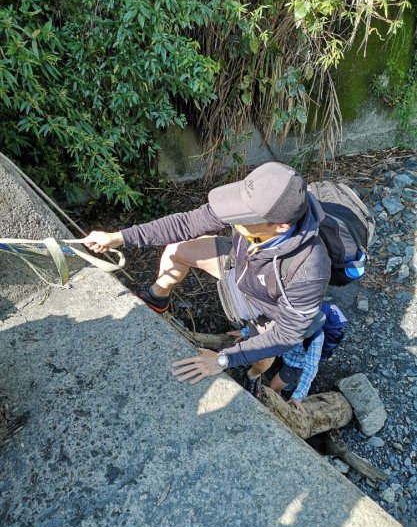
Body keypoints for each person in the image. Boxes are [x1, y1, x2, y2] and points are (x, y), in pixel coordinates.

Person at [83, 162, 331, 402]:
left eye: (244, 218)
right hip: (243, 262)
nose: (234, 217)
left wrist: (223, 360)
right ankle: (156, 298)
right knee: (176, 250)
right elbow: (187, 223)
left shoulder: (309, 269)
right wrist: (119, 237)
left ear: (280, 227)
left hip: (271, 307)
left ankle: (254, 377)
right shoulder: (253, 209)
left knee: (260, 352)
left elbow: (286, 335)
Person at [269, 330, 325, 413]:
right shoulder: (288, 318)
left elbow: (311, 367)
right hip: (282, 353)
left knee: (272, 388)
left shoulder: (316, 334)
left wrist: (298, 396)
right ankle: (285, 383)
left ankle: (287, 387)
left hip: (295, 365)